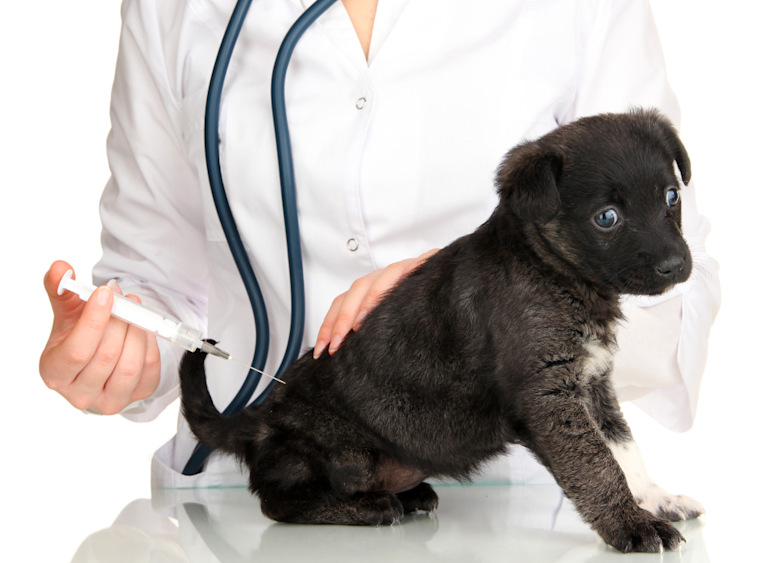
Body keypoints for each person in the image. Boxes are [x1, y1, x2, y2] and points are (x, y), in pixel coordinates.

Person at [40, 0, 720, 489]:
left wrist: (471, 297)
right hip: (260, 493)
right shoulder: (171, 9)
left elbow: (672, 292)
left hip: (510, 499)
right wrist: (120, 353)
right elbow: (155, 278)